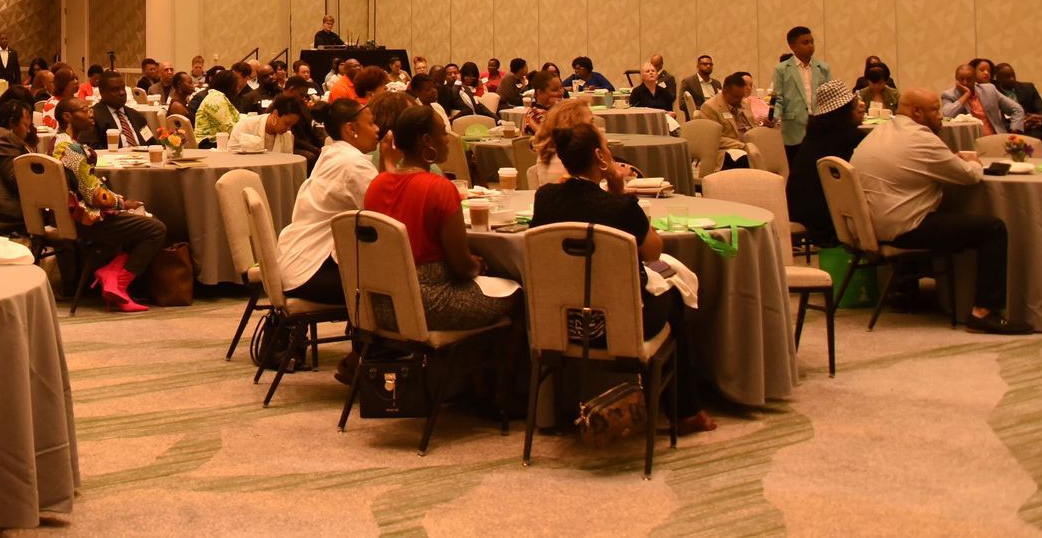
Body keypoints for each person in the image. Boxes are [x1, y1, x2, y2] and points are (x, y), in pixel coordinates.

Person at [532, 123, 716, 434]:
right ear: (599, 156)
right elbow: (654, 252)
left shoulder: (545, 198)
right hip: (619, 325)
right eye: (605, 146)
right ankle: (686, 410)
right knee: (678, 298)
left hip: (562, 322)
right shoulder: (620, 207)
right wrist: (618, 189)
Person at [849, 88, 1028, 333]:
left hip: (871, 225)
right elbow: (969, 177)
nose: (941, 115)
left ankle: (906, 292)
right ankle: (984, 312)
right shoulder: (921, 138)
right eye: (935, 109)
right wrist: (973, 161)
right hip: (903, 228)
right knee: (993, 229)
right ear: (917, 112)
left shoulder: (881, 131)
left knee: (935, 211)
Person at [365, 102, 516, 331]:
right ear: (427, 141)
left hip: (381, 303)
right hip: (426, 302)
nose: (447, 139)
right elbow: (462, 267)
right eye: (443, 133)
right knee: (519, 293)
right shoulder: (439, 188)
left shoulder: (376, 184)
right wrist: (479, 264)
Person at [46, 96, 166, 311]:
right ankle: (117, 281)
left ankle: (111, 274)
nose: (91, 114)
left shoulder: (57, 142)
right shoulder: (72, 150)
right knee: (155, 227)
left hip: (67, 213)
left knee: (140, 216)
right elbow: (93, 195)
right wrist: (121, 202)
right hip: (84, 220)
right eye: (84, 110)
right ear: (67, 117)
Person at [277, 99, 379, 305]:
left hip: (295, 259)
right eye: (371, 123)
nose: (378, 130)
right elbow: (385, 219)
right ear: (351, 129)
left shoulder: (332, 153)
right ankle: (368, 335)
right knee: (398, 283)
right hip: (312, 272)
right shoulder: (354, 165)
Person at [786, 80, 869, 245]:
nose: (860, 107)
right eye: (854, 106)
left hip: (797, 208)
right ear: (844, 112)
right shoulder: (853, 138)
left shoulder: (813, 135)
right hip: (826, 216)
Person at [0, 93, 40, 234]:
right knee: (59, 209)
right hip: (2, 203)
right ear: (12, 122)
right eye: (25, 125)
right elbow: (16, 181)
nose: (28, 131)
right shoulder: (5, 140)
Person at [771, 26, 830, 161]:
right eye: (805, 42)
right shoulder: (782, 69)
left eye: (812, 41)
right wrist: (773, 117)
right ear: (792, 46)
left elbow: (830, 97)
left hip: (819, 126)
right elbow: (778, 98)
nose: (810, 46)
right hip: (793, 128)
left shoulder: (823, 68)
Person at [695, 71, 757, 170]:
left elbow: (754, 125)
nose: (739, 100)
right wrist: (742, 145)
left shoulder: (744, 101)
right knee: (746, 158)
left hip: (750, 144)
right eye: (736, 97)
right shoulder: (710, 107)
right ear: (724, 92)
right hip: (727, 150)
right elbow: (714, 139)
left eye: (741, 96)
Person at [940, 63, 1021, 136]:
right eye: (961, 79)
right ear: (956, 79)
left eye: (969, 79)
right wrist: (965, 95)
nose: (965, 83)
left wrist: (1014, 132)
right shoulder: (949, 95)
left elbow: (1017, 109)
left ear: (975, 79)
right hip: (970, 143)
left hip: (995, 138)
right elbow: (947, 114)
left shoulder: (989, 90)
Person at [992, 62, 1042, 150]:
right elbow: (997, 121)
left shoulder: (1028, 88)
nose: (1012, 79)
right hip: (1008, 130)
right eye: (1007, 77)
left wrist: (1040, 117)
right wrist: (1018, 125)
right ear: (997, 79)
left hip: (1032, 127)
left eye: (1013, 75)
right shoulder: (993, 92)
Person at [90, 71, 154, 146]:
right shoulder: (93, 116)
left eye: (123, 88)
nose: (122, 93)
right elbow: (93, 149)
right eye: (115, 90)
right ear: (102, 92)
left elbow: (151, 142)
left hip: (143, 156)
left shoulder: (137, 116)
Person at [227, 92, 306, 153]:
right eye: (287, 123)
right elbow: (231, 155)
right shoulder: (245, 125)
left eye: (292, 125)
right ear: (275, 113)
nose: (288, 128)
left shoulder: (287, 136)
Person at [191, 67, 241, 142]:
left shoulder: (220, 97)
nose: (237, 89)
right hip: (207, 143)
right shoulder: (215, 99)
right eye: (236, 86)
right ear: (228, 86)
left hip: (218, 141)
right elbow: (228, 128)